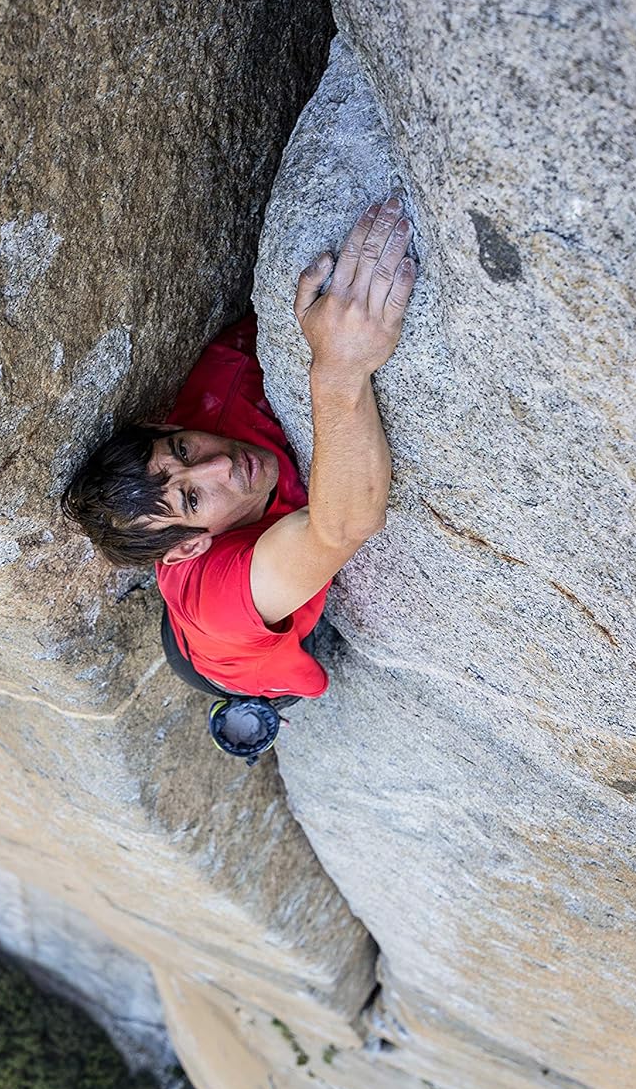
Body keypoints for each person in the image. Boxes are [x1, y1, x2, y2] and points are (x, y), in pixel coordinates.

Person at [61, 193, 415, 731]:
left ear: (164, 427)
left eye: (182, 451)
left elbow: (296, 316)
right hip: (227, 656)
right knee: (269, 688)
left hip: (198, 614)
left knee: (197, 631)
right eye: (193, 497)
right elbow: (344, 525)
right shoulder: (224, 600)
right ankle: (249, 708)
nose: (221, 465)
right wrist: (339, 369)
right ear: (187, 546)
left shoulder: (226, 378)